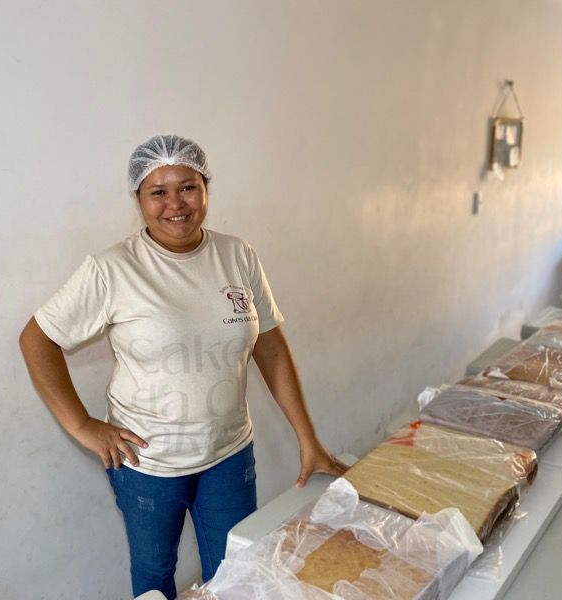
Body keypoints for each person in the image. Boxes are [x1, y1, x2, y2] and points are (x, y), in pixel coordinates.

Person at [19, 134, 345, 599]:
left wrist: (307, 437)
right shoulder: (112, 269)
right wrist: (83, 425)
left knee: (236, 575)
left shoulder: (238, 255)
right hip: (146, 462)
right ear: (139, 200)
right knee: (155, 576)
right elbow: (38, 338)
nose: (176, 203)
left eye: (188, 187)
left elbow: (269, 345)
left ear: (206, 189)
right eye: (158, 191)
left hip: (229, 454)